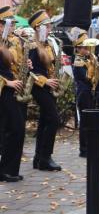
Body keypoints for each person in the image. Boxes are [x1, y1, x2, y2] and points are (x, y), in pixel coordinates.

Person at [28, 10, 61, 171]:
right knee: (53, 119)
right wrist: (46, 80)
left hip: (48, 86)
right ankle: (46, 157)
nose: (50, 29)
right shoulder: (33, 46)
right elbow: (31, 71)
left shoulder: (48, 44)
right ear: (38, 28)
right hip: (39, 86)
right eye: (46, 27)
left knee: (44, 120)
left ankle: (38, 158)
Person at [0, 7, 25, 182]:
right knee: (15, 129)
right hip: (4, 89)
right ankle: (6, 170)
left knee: (14, 129)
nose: (12, 27)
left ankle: (9, 170)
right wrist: (7, 82)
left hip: (12, 89)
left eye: (12, 23)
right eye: (8, 23)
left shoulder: (8, 42)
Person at [72, 29, 99, 157]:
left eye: (87, 47)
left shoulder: (88, 59)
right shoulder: (78, 61)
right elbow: (86, 77)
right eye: (83, 48)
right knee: (84, 121)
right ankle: (84, 149)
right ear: (77, 49)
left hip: (90, 92)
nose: (86, 50)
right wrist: (92, 68)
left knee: (90, 120)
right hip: (83, 93)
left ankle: (90, 145)